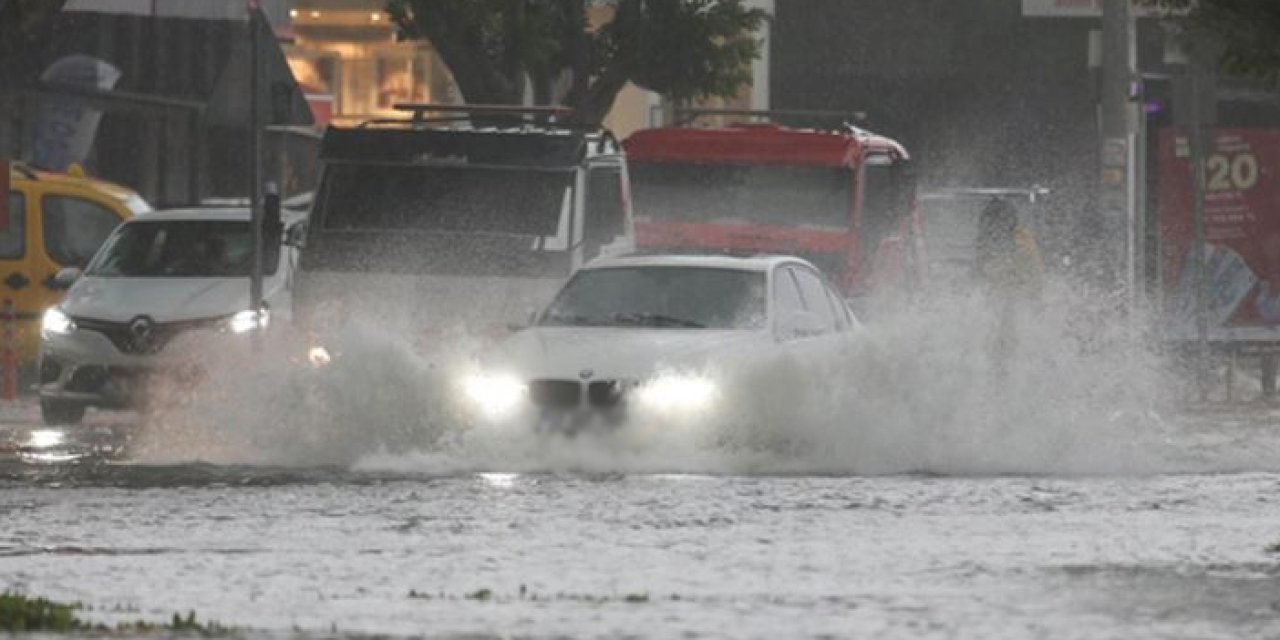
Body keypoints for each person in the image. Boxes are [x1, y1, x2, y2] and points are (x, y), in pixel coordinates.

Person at [972, 198, 1044, 374]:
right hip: (1007, 301)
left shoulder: (1021, 241)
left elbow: (1032, 278)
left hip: (1015, 302)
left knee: (1003, 346)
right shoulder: (992, 241)